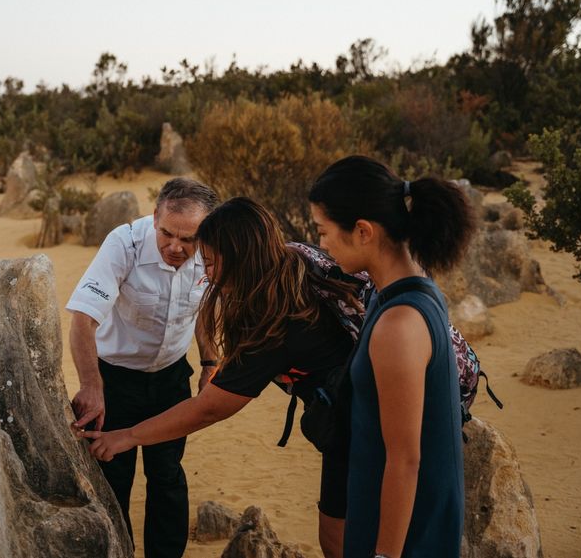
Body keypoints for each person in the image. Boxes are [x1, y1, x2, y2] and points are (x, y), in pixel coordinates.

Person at [79, 196, 364, 558]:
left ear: (239, 258)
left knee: (341, 542)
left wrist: (128, 437)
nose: (206, 274)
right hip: (354, 416)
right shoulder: (293, 262)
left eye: (210, 262)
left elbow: (208, 410)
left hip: (363, 428)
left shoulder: (276, 327)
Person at [308, 155, 474, 558]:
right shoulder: (406, 294)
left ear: (363, 231)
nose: (321, 244)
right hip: (393, 521)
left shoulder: (399, 323)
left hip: (406, 537)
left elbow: (405, 459)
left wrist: (385, 555)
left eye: (323, 231)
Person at [66, 177, 221, 558]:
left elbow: (205, 306)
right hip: (115, 379)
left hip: (171, 378)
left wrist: (209, 360)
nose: (176, 247)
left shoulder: (212, 249)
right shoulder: (124, 243)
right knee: (113, 477)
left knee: (167, 476)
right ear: (155, 217)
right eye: (167, 233)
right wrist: (91, 385)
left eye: (188, 240)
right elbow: (82, 319)